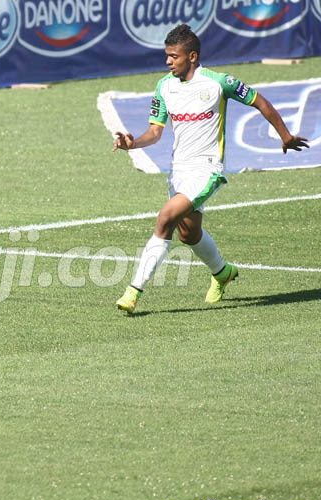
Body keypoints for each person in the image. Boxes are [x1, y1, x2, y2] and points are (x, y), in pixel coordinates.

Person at [113, 24, 308, 314]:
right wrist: (133, 143)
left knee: (165, 218)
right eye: (167, 56)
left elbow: (260, 101)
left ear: (192, 56)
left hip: (208, 169)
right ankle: (223, 273)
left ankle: (133, 292)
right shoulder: (164, 86)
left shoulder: (219, 83)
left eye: (173, 56)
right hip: (178, 170)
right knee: (188, 235)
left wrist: (285, 135)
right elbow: (154, 132)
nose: (168, 61)